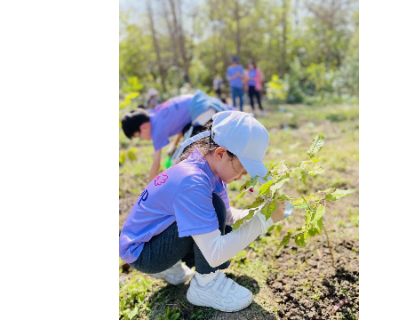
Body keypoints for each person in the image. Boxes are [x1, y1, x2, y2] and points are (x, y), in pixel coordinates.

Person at [119, 111, 291, 312]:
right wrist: (264, 220)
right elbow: (215, 254)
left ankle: (171, 267)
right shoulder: (193, 182)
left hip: (151, 240)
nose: (244, 176)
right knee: (213, 207)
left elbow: (226, 216)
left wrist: (259, 211)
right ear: (220, 153)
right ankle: (206, 286)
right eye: (243, 168)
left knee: (215, 209)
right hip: (144, 254)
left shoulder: (206, 168)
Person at [121, 91, 235, 183]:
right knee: (186, 154)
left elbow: (156, 165)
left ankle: (205, 184)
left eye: (139, 137)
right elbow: (181, 121)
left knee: (184, 158)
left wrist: (149, 192)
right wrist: (174, 144)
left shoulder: (156, 130)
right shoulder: (155, 113)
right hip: (201, 103)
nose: (143, 139)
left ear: (143, 127)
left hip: (202, 111)